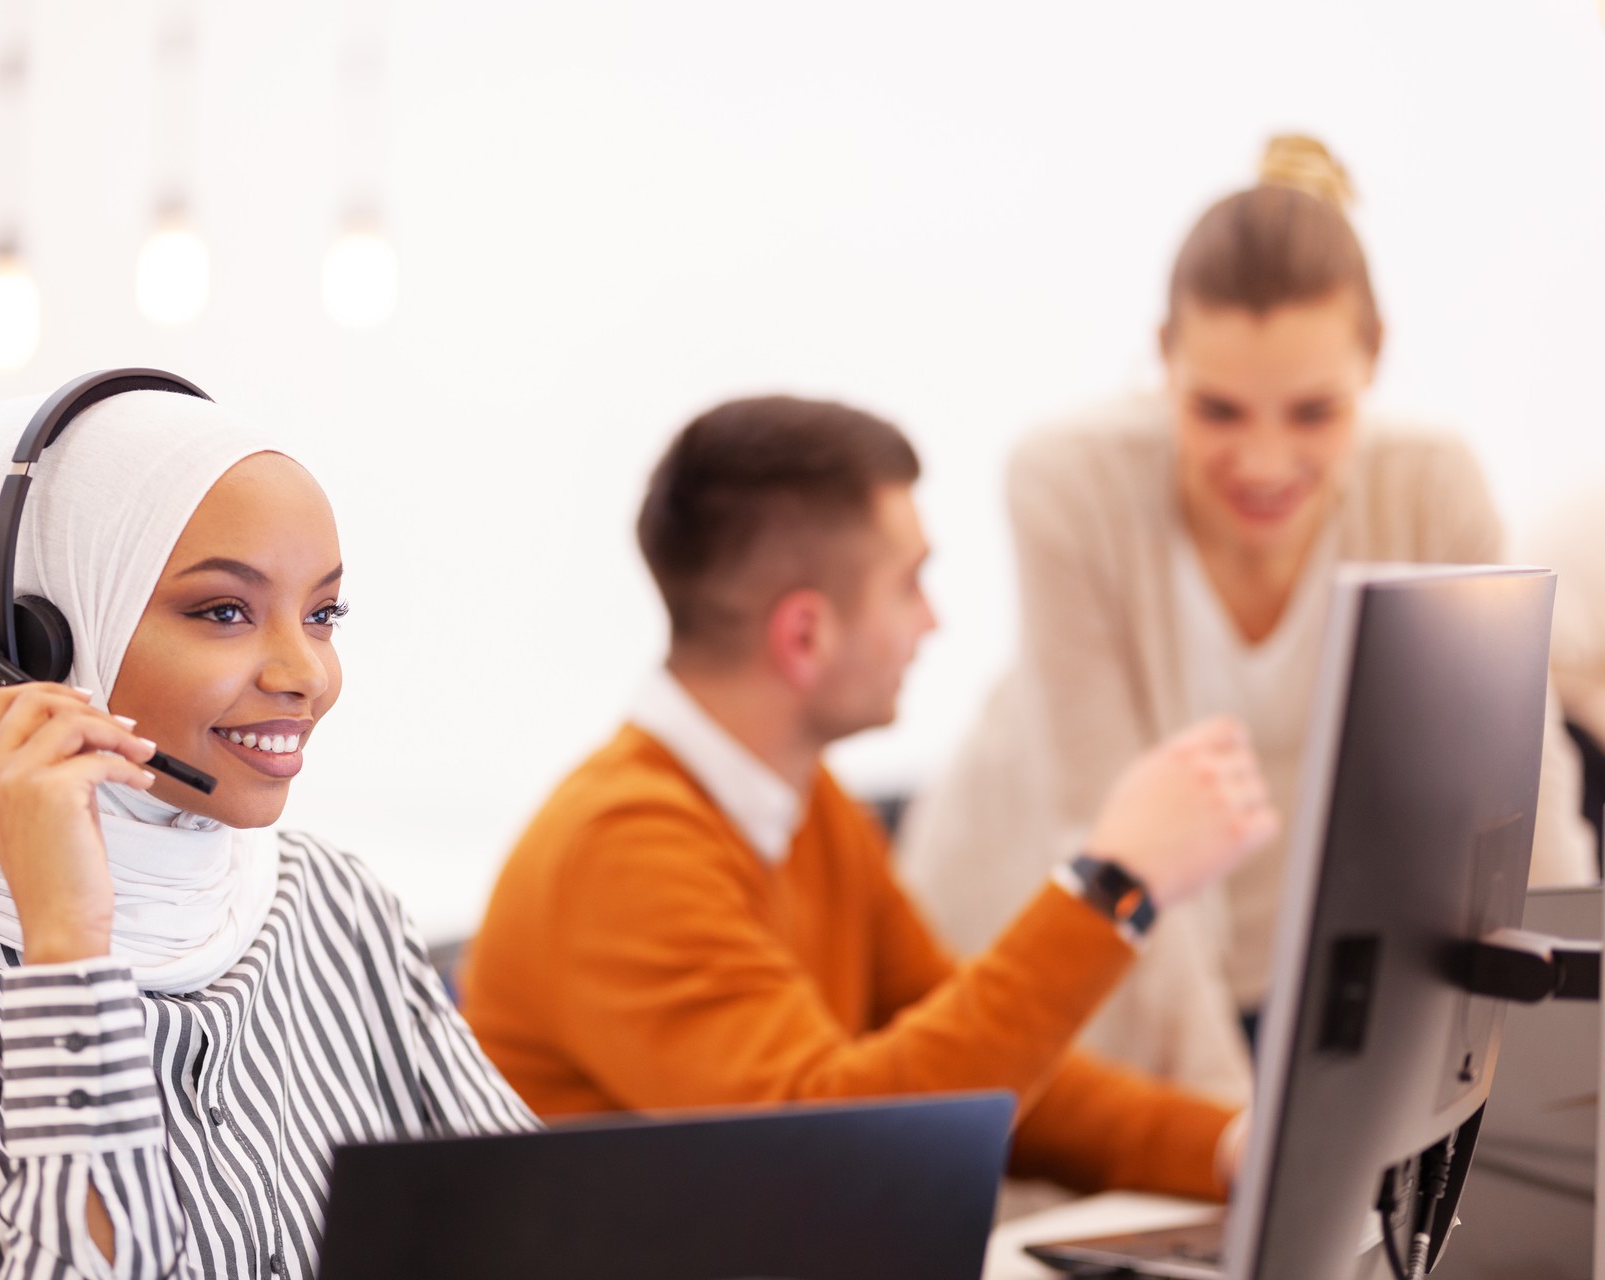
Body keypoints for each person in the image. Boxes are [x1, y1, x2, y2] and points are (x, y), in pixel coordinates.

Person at [0, 385, 533, 1279]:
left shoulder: (329, 897)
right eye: (224, 611)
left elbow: (546, 1223)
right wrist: (70, 947)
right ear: (37, 654)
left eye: (323, 614)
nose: (307, 672)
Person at [897, 135, 1595, 1106]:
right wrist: (1243, 1147)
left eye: (1313, 413)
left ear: (1373, 363)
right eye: (1217, 410)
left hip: (1302, 958)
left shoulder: (1432, 486)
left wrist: (1575, 1074)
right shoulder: (1068, 480)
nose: (1264, 462)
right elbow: (1112, 830)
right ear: (1163, 361)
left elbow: (1521, 790)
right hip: (1079, 942)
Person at [461, 395, 1279, 1200]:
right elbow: (834, 1152)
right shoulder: (622, 848)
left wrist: (1231, 1149)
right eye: (911, 584)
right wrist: (1111, 886)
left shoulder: (806, 806)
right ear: (805, 635)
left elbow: (979, 1078)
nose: (934, 622)